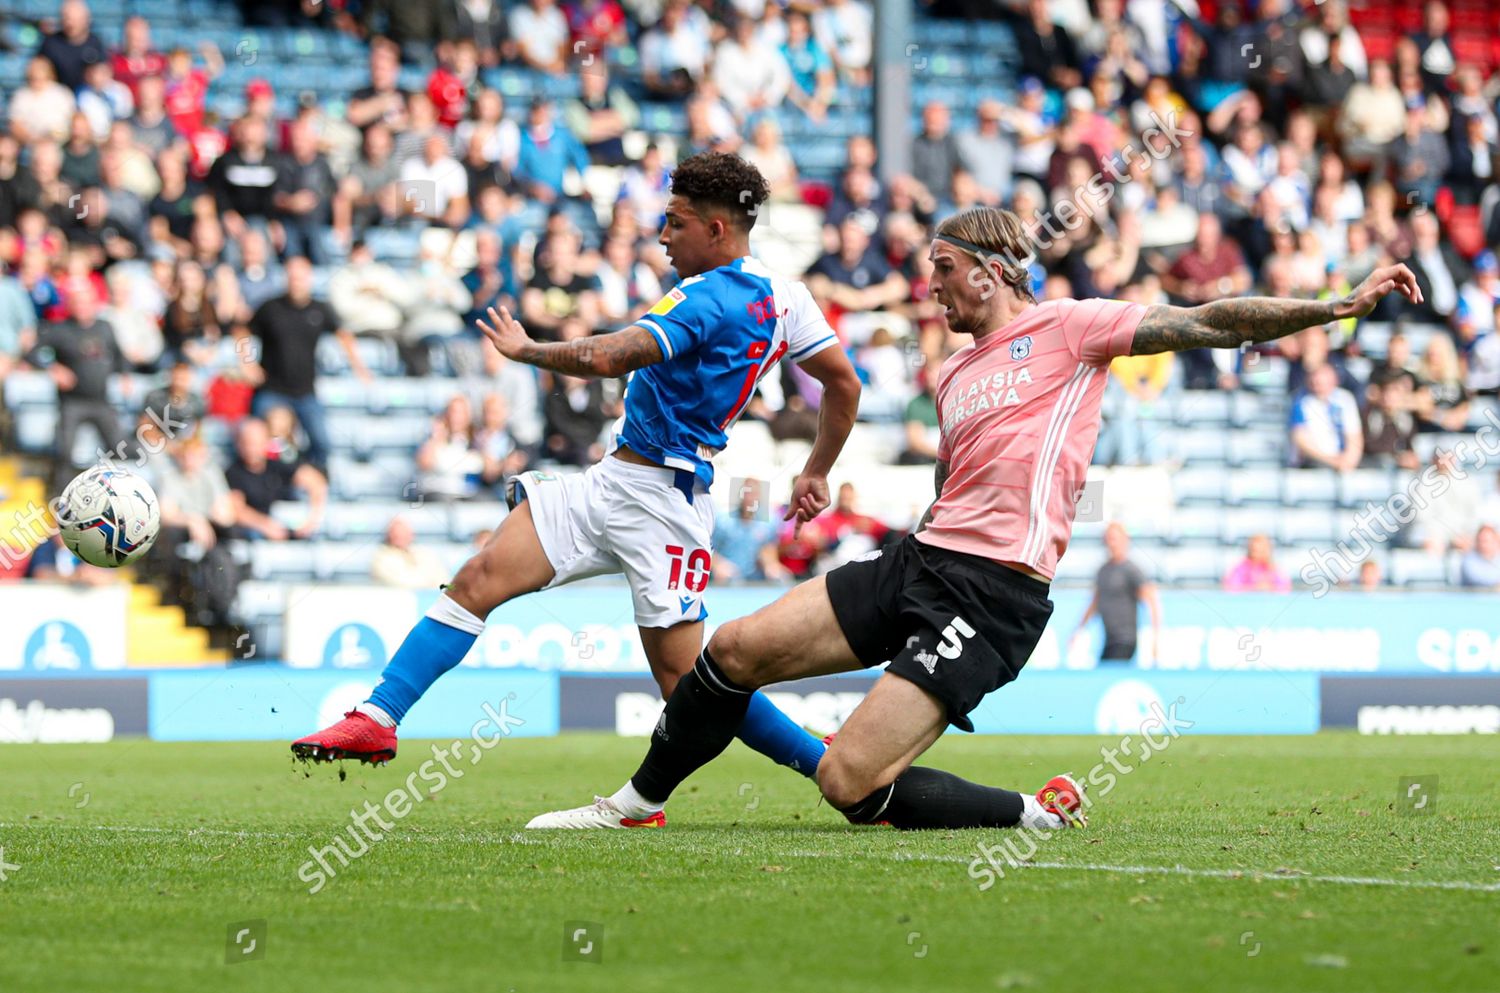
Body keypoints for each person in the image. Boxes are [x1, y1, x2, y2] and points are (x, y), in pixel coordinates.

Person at [523, 205, 1421, 831]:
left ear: (991, 273)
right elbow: (958, 478)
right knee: (730, 653)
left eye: (945, 274)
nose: (934, 292)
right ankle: (635, 802)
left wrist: (1332, 306)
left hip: (992, 596)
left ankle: (1030, 809)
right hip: (921, 561)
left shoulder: (1075, 327)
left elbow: (1213, 319)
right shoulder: (949, 373)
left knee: (846, 782)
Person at [292, 153, 863, 804]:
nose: (662, 236)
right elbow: (845, 383)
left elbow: (607, 354)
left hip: (665, 502)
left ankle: (823, 764)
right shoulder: (786, 296)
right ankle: (378, 717)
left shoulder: (711, 298)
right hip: (611, 482)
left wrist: (527, 350)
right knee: (479, 577)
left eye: (674, 222)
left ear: (716, 229)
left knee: (689, 684)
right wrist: (815, 469)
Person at [246, 256, 368, 472]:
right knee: (263, 442)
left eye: (301, 277)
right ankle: (271, 482)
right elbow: (243, 331)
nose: (297, 282)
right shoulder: (271, 308)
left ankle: (315, 483)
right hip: (272, 389)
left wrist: (359, 367)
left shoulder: (320, 310)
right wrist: (247, 363)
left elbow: (343, 335)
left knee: (322, 443)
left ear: (309, 279)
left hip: (305, 390)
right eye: (292, 277)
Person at [1071, 522, 1162, 662]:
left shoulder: (1131, 570)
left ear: (1125, 541)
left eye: (1114, 539)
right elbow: (1095, 603)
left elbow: (1151, 601)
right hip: (1108, 638)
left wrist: (1155, 639)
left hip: (1125, 639)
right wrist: (1079, 630)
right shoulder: (1103, 570)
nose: (1111, 543)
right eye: (1108, 539)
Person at [1223, 534, 1292, 592]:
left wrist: (1270, 588)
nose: (1257, 553)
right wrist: (1254, 588)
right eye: (1254, 550)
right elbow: (1230, 587)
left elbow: (1285, 588)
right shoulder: (1242, 567)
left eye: (1261, 550)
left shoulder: (1273, 568)